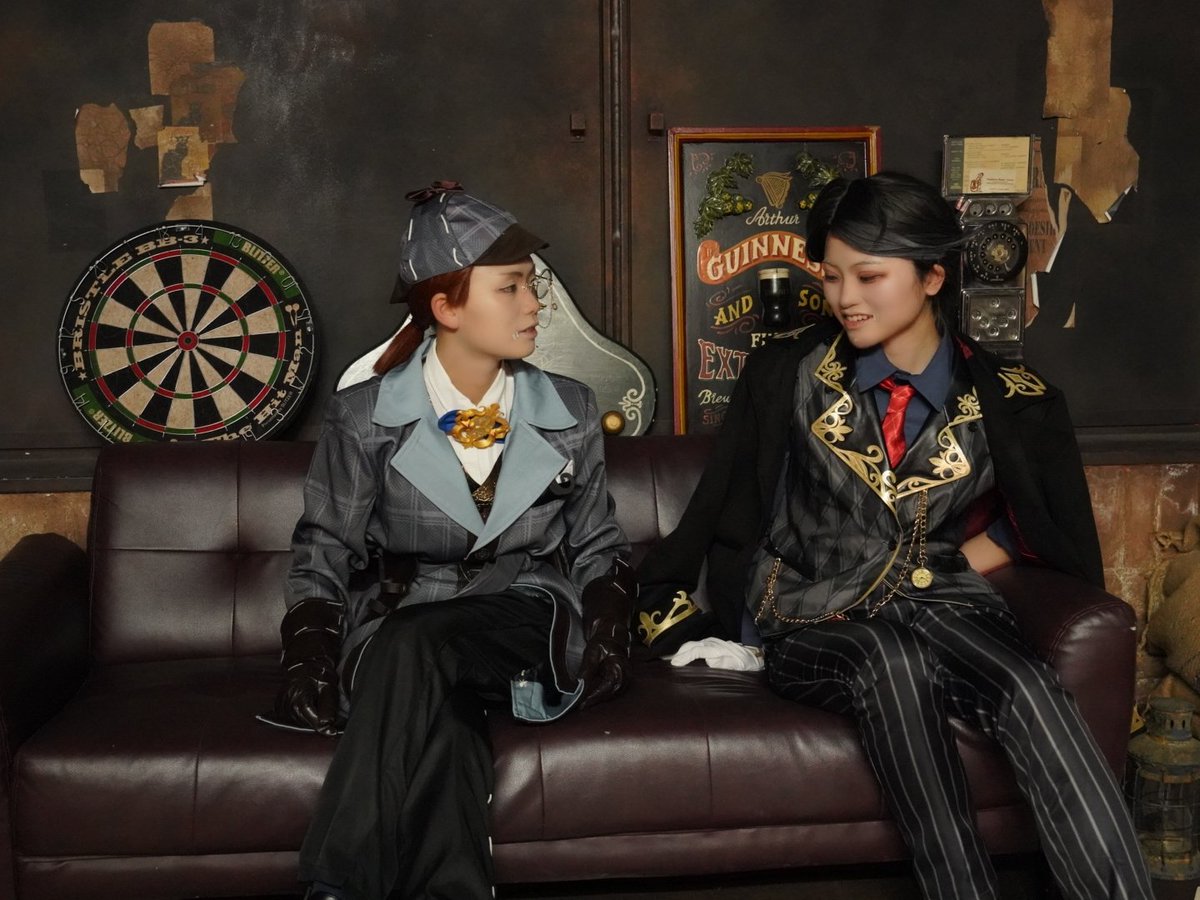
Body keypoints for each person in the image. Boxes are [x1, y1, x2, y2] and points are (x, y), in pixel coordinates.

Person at [636, 172, 1152, 899]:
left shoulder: (1012, 399)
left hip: (943, 602)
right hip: (811, 612)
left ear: (932, 276)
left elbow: (1040, 522)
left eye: (869, 276)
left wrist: (946, 562)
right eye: (832, 275)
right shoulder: (788, 373)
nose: (845, 296)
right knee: (891, 659)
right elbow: (729, 507)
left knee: (1030, 685)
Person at [273, 181, 634, 900]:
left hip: (526, 619)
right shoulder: (363, 416)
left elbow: (598, 542)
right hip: (403, 620)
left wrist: (611, 628)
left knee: (416, 644)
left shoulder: (571, 408)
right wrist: (309, 649)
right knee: (444, 721)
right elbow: (325, 548)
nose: (534, 305)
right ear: (446, 307)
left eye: (531, 285)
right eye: (511, 288)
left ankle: (335, 884)